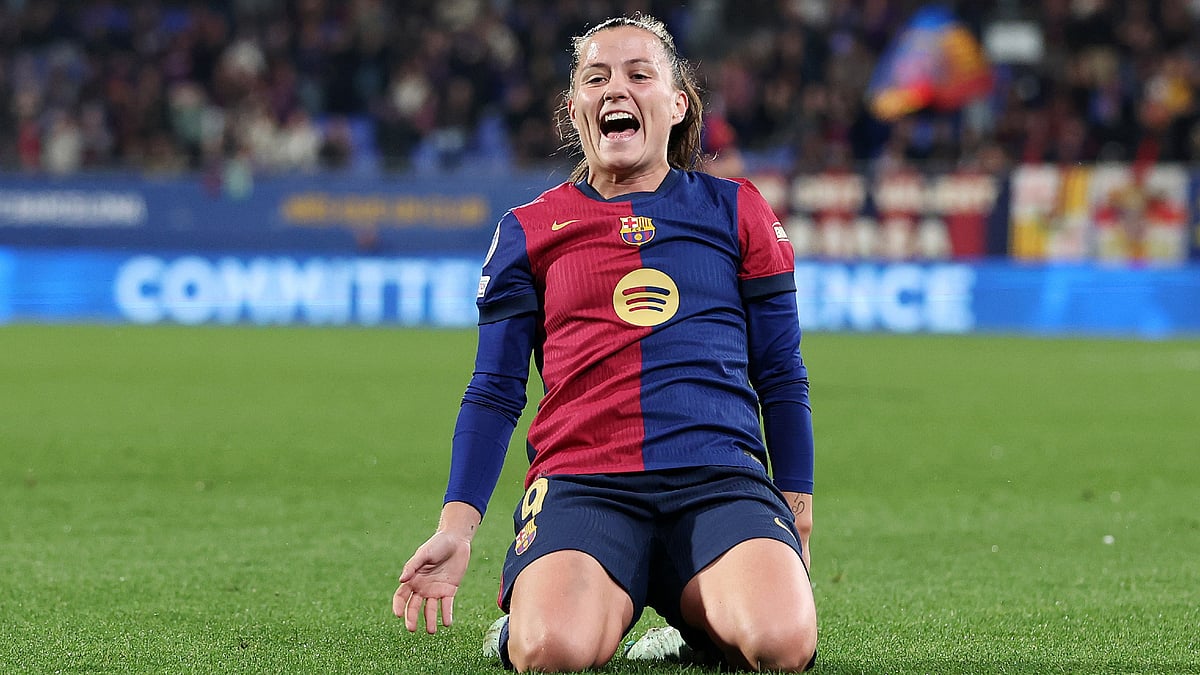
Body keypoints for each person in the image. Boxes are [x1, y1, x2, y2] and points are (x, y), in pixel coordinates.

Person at [393, 13, 817, 673]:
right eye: (596, 78)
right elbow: (495, 389)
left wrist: (796, 504)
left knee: (784, 641)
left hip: (719, 479)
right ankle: (524, 622)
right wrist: (457, 525)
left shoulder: (737, 210)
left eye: (638, 74)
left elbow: (782, 373)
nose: (615, 89)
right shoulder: (529, 230)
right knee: (551, 650)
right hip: (585, 482)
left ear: (676, 104)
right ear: (574, 108)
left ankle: (693, 629)